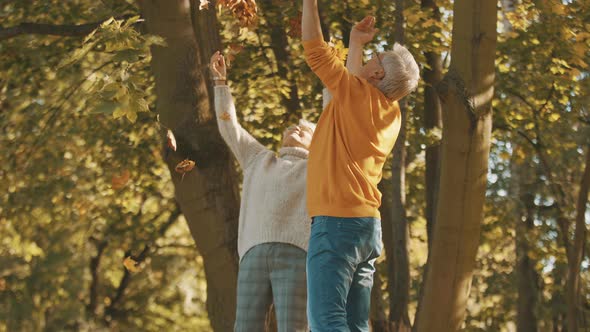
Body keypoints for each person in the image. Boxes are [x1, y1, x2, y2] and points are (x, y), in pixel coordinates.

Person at [301, 1, 420, 330]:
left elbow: (314, 49)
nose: (371, 58)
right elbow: (353, 85)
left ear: (377, 73)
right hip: (367, 229)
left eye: (375, 57)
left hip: (336, 223)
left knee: (326, 321)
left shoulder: (355, 97)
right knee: (355, 325)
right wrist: (354, 44)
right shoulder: (390, 114)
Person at [209, 51, 315, 332]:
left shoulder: (319, 170)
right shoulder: (259, 158)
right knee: (245, 327)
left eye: (305, 130)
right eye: (293, 125)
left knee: (294, 327)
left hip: (297, 255)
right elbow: (230, 127)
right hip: (253, 254)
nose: (296, 128)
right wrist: (220, 84)